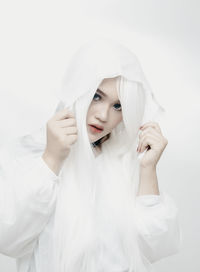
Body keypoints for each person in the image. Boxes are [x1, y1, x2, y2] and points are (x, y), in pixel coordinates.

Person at [0, 38, 182, 272]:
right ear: (75, 91)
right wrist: (52, 160)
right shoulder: (30, 157)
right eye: (96, 96)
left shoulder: (125, 164)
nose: (104, 115)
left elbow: (153, 247)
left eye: (118, 106)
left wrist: (148, 170)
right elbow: (8, 238)